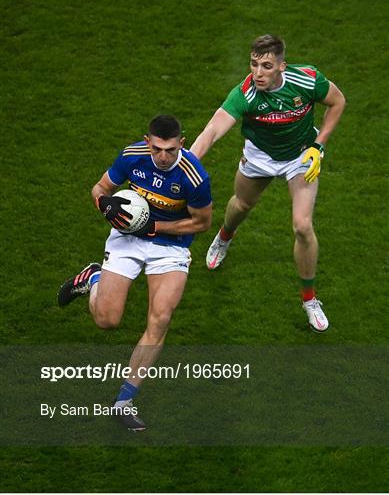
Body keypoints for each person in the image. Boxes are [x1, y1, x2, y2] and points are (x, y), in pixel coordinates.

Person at [58, 115, 212, 430]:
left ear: (181, 143)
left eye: (171, 149)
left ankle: (124, 400)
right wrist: (105, 205)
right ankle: (94, 277)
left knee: (161, 318)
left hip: (170, 247)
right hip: (127, 239)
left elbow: (202, 222)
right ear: (147, 142)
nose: (164, 156)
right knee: (106, 320)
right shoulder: (132, 156)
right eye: (157, 149)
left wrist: (156, 226)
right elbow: (100, 187)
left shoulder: (194, 177)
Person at [190, 34, 346, 332]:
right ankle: (225, 236)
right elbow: (212, 131)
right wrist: (186, 164)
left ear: (281, 67)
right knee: (242, 204)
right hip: (259, 157)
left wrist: (319, 146)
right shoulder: (245, 93)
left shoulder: (307, 80)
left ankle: (310, 299)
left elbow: (338, 102)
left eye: (266, 66)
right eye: (253, 64)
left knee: (302, 225)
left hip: (301, 155)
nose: (257, 73)